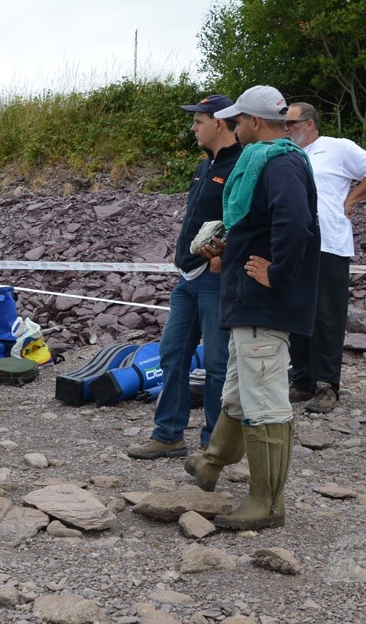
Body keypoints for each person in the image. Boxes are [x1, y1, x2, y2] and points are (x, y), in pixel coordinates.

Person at [185, 85, 320, 531]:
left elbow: (295, 222)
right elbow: (265, 224)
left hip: (265, 302)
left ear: (256, 122)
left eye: (240, 120)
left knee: (264, 399)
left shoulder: (278, 162)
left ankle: (267, 502)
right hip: (248, 300)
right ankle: (211, 463)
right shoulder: (267, 161)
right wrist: (230, 255)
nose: (235, 126)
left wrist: (277, 273)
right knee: (241, 390)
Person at [127, 95, 240, 460]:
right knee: (172, 353)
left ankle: (215, 443)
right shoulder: (204, 165)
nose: (193, 128)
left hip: (214, 278)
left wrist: (227, 255)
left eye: (199, 121)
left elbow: (248, 221)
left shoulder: (241, 166)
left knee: (218, 363)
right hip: (188, 277)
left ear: (219, 123)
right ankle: (169, 435)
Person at [284, 102, 366, 414]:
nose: (286, 129)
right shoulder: (287, 153)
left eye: (291, 123)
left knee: (327, 316)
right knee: (297, 313)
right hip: (295, 245)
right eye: (285, 124)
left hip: (328, 242)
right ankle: (302, 379)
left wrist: (353, 198)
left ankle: (327, 384)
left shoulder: (337, 148)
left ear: (309, 123)